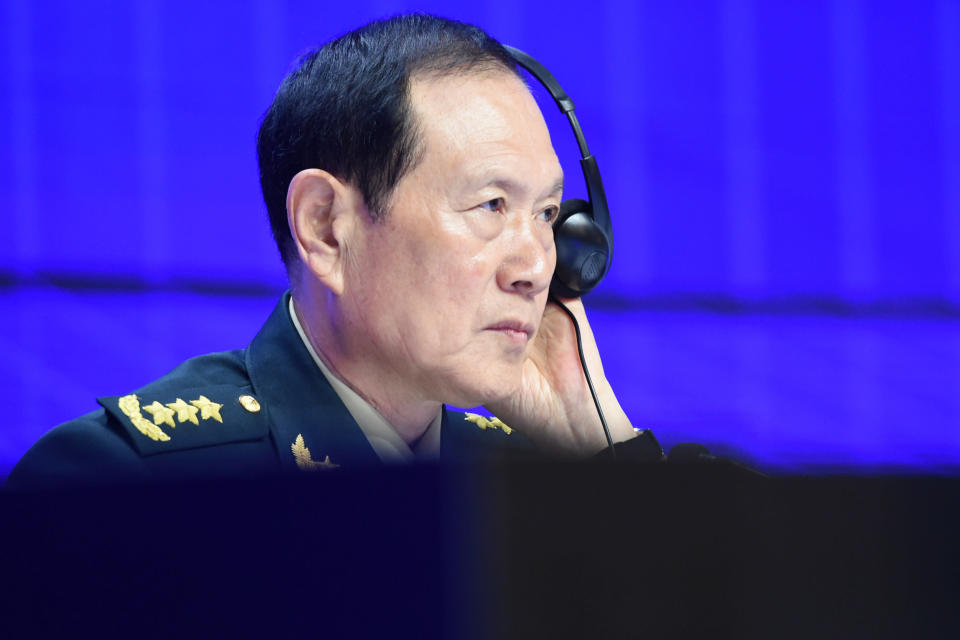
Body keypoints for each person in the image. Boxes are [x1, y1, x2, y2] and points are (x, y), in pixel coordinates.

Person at [5, 14, 663, 490]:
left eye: (548, 214)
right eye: (491, 205)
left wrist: (598, 446)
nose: (537, 267)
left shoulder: (538, 482)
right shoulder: (121, 485)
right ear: (325, 228)